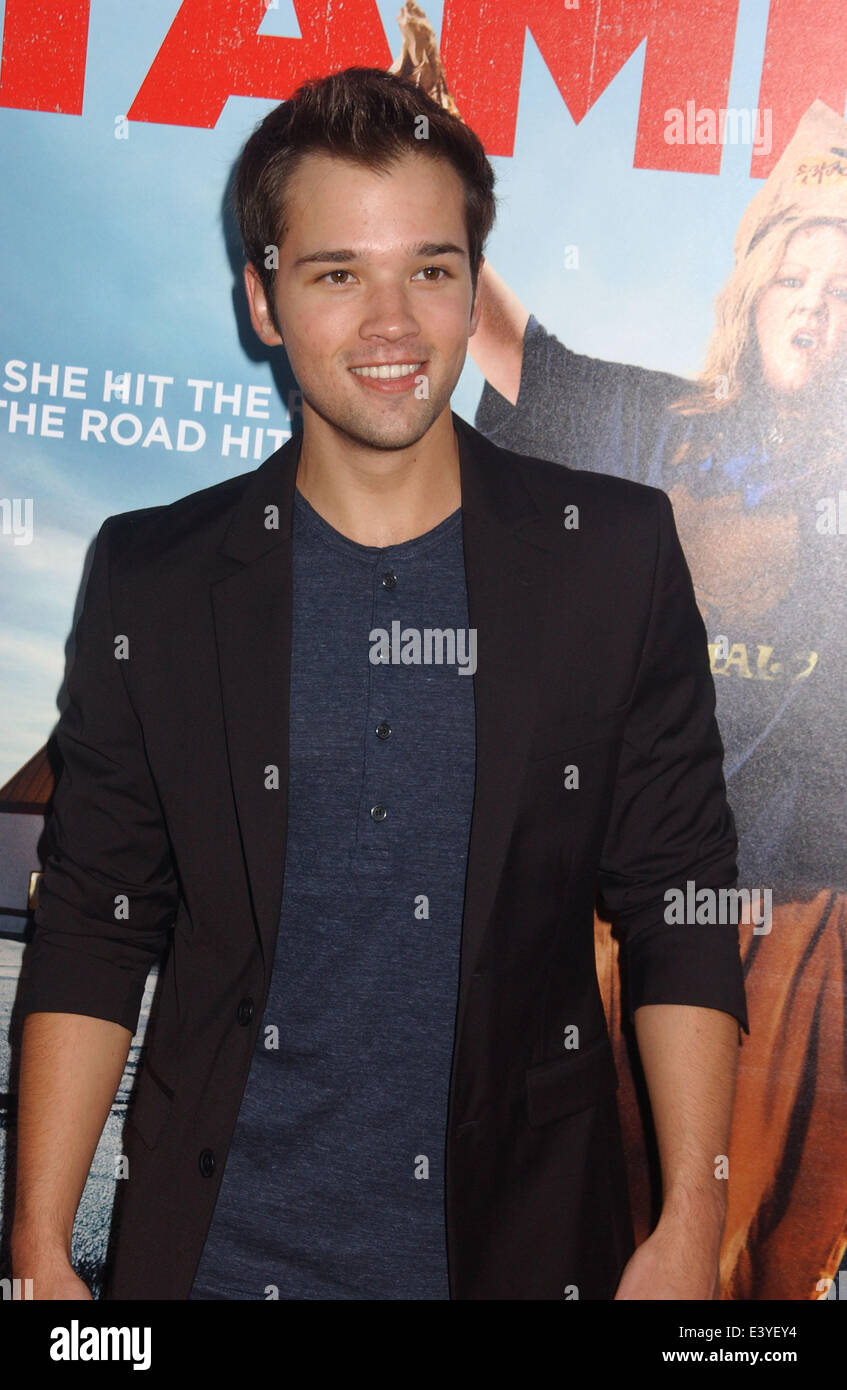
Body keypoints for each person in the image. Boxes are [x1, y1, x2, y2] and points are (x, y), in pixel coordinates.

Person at [11, 66, 747, 1302]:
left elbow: (678, 900)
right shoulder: (153, 577)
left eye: (431, 268)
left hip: (518, 1254)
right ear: (262, 299)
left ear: (474, 290)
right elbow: (95, 918)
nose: (392, 323)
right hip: (209, 1264)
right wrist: (37, 1249)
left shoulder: (609, 556)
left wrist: (688, 1223)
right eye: (338, 273)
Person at [467, 100, 847, 1299]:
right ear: (758, 277)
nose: (818, 302)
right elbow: (515, 352)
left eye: (845, 285)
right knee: (601, 1226)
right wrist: (428, 174)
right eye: (800, 271)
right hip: (632, 910)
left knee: (771, 1264)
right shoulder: (655, 422)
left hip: (812, 919)